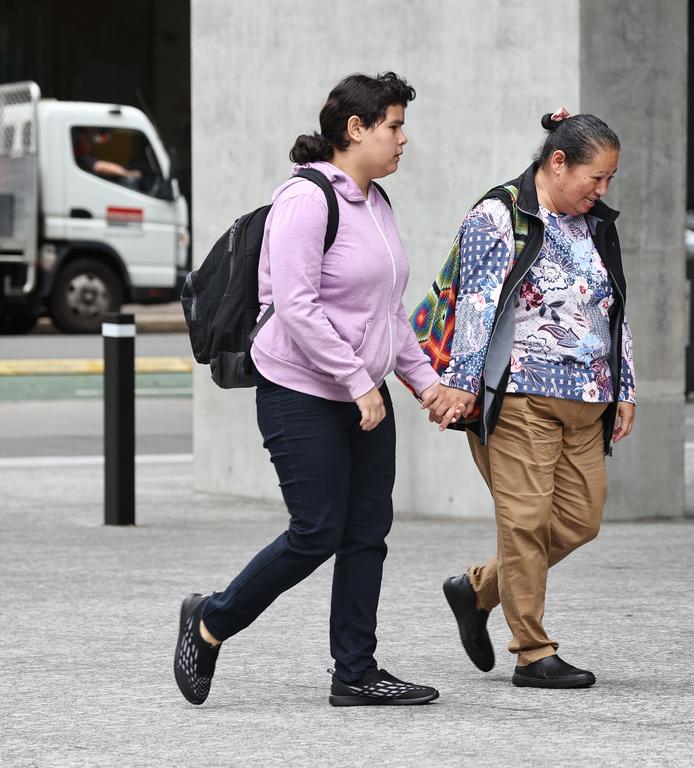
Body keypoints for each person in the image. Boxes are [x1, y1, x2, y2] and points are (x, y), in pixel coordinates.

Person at [174, 72, 444, 707]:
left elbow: (390, 313)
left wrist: (426, 384)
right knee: (317, 529)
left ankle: (355, 672)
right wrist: (357, 382)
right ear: (356, 130)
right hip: (301, 391)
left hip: (363, 393)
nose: (404, 140)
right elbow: (296, 307)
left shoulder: (377, 204)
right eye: (394, 126)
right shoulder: (305, 201)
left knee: (367, 532)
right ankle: (211, 621)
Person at [429, 110, 637, 688]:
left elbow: (614, 305)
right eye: (594, 179)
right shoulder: (499, 217)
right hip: (522, 394)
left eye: (609, 182)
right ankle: (533, 652)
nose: (601, 192)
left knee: (579, 519)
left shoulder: (594, 224)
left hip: (589, 397)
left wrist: (626, 384)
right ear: (557, 161)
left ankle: (477, 590)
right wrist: (462, 384)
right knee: (524, 522)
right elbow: (475, 305)